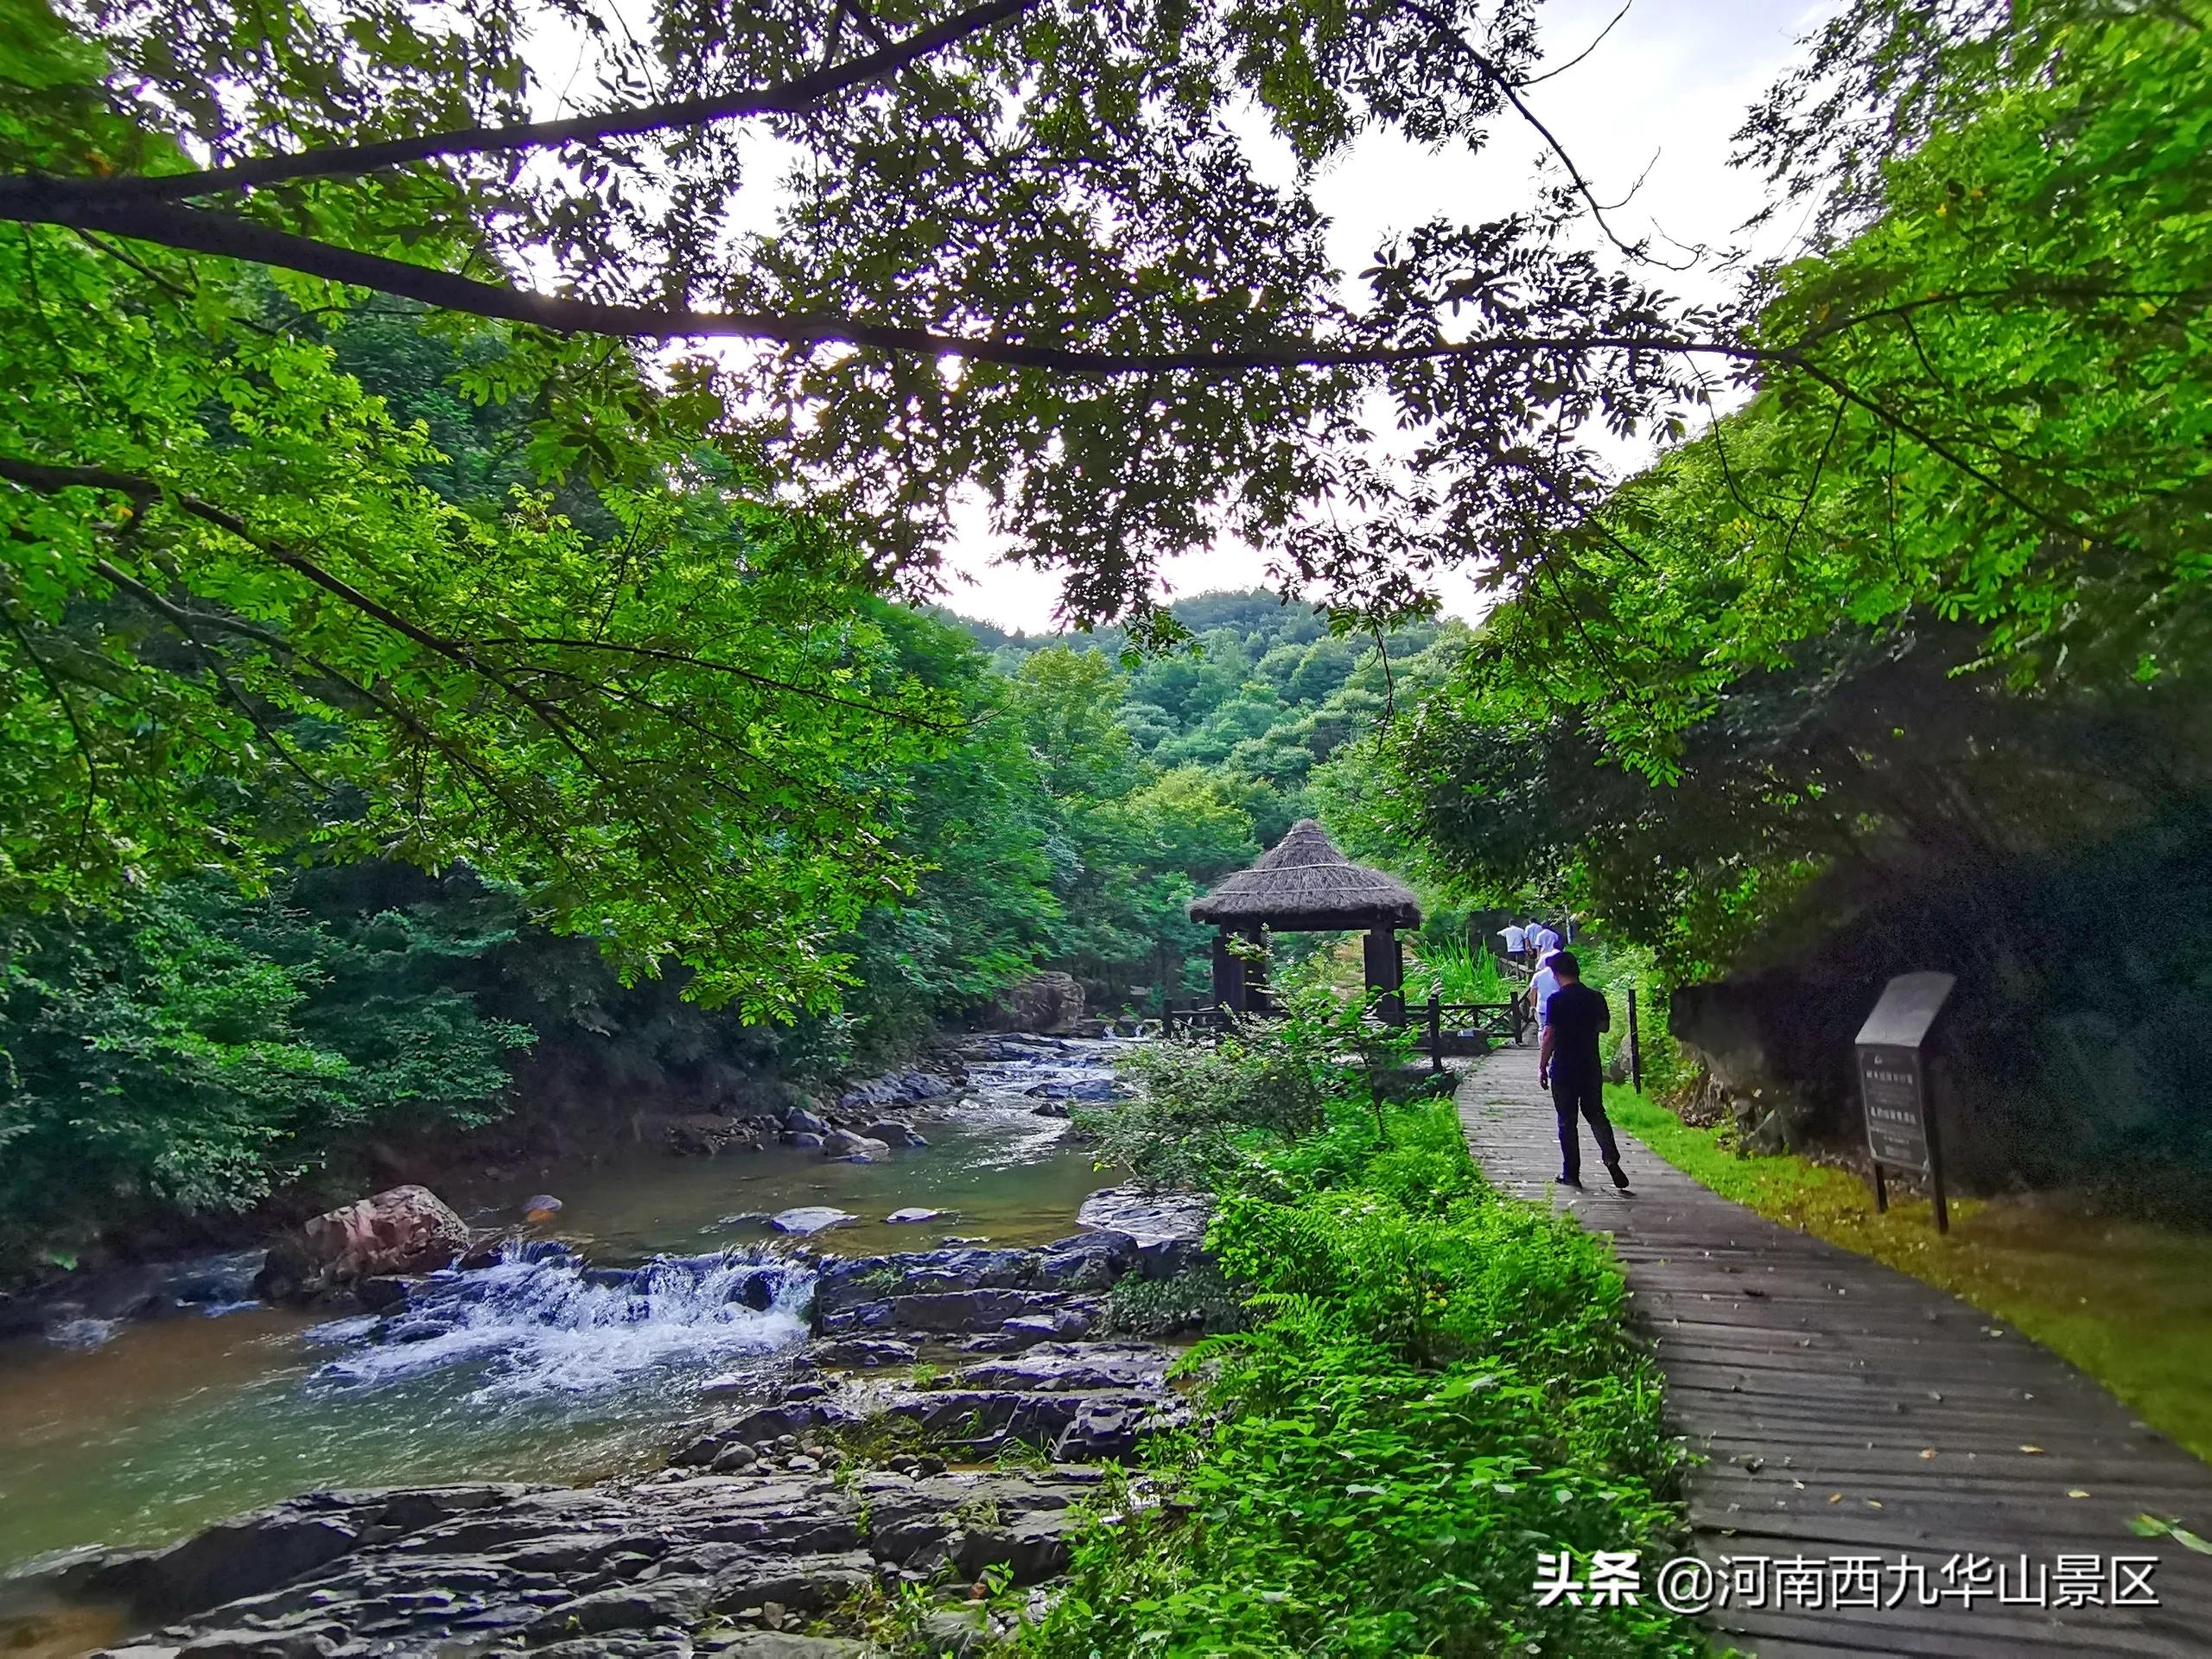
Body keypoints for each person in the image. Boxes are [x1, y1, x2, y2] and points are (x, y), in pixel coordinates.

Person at [1537, 952, 1629, 1190]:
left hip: (1564, 1067)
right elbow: (1605, 1027)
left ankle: (1572, 1174)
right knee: (1596, 1113)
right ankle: (1610, 1158)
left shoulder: (1556, 1000)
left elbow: (1549, 1035)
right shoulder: (1595, 997)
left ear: (1557, 975)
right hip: (1590, 1065)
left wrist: (1542, 1066)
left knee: (1567, 1121)